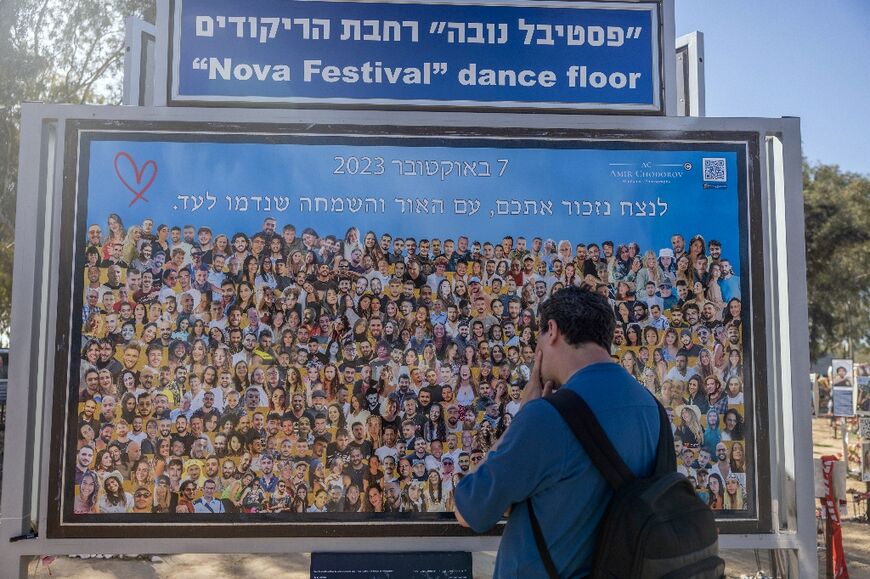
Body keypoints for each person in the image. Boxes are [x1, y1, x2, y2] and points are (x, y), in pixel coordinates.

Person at [453, 286, 660, 577]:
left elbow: (469, 510)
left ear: (551, 330)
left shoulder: (545, 416)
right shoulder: (652, 408)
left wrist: (523, 416)